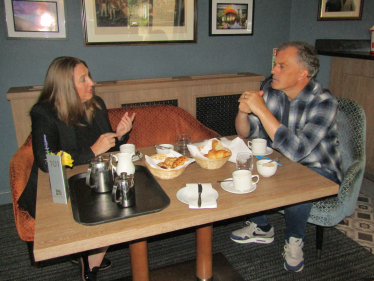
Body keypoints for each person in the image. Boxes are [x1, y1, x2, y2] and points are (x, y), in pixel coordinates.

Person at [17, 56, 135, 281]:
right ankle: (89, 259)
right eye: (83, 79)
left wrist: (120, 136)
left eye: (88, 76)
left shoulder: (95, 104)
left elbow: (107, 146)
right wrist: (91, 151)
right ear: (65, 86)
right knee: (107, 206)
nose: (91, 82)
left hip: (94, 177)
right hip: (60, 185)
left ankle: (91, 258)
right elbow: (46, 160)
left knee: (120, 198)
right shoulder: (44, 113)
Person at [231, 41, 343, 272]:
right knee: (244, 164)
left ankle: (294, 239)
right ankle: (261, 226)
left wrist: (261, 110)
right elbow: (245, 133)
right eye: (275, 65)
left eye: (281, 66)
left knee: (298, 185)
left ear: (303, 73)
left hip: (319, 168)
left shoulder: (324, 102)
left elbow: (297, 151)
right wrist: (243, 112)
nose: (273, 70)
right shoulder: (273, 92)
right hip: (282, 161)